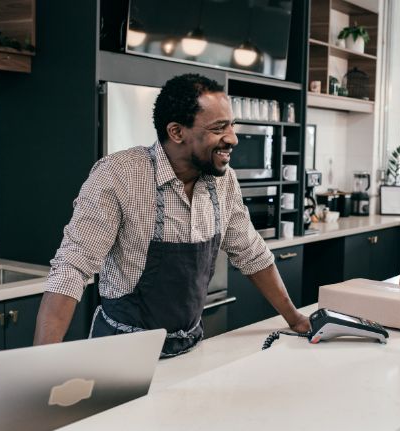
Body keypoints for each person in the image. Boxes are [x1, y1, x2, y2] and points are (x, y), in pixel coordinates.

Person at [34, 74, 310, 356]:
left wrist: (296, 319)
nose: (233, 139)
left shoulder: (224, 181)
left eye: (232, 125)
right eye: (219, 128)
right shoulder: (119, 175)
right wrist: (42, 364)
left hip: (190, 347)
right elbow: (72, 267)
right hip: (120, 352)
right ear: (177, 132)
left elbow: (252, 254)